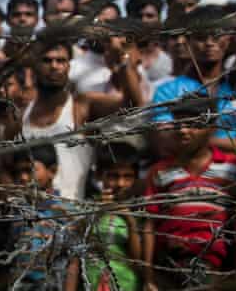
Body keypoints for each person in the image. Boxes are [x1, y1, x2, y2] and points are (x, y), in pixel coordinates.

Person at [18, 24, 144, 202]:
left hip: (72, 214)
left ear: (69, 66)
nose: (54, 66)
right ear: (35, 65)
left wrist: (122, 58)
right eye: (47, 60)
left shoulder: (81, 106)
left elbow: (132, 105)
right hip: (29, 216)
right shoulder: (22, 113)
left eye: (61, 61)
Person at [142, 95, 236, 291]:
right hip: (171, 263)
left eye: (193, 124)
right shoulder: (161, 171)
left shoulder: (232, 168)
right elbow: (148, 225)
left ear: (211, 127)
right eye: (178, 124)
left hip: (214, 263)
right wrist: (148, 278)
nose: (183, 130)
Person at [4, 143, 77, 291]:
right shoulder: (14, 212)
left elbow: (73, 261)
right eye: (18, 173)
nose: (24, 178)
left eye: (30, 170)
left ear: (53, 171)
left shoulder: (65, 212)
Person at [151, 6, 236, 151]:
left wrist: (195, 138)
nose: (209, 43)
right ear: (188, 42)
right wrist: (234, 144)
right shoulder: (168, 91)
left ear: (228, 39)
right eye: (201, 38)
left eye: (216, 36)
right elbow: (166, 139)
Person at [79, 142, 143, 291]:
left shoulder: (138, 210)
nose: (120, 183)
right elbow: (79, 248)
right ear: (99, 176)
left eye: (128, 176)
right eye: (113, 176)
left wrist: (127, 216)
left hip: (128, 290)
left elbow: (138, 258)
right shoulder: (90, 207)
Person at [126, 0, 172, 83]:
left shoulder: (171, 51)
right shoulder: (119, 52)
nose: (144, 21)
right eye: (138, 16)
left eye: (150, 16)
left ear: (159, 19)